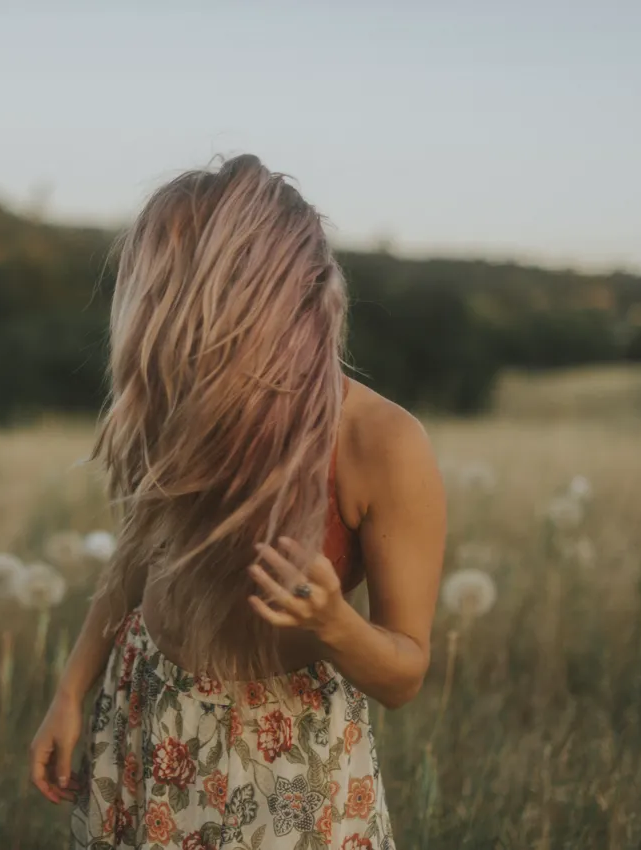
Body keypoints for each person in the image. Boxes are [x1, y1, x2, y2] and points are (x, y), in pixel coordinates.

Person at [29, 155, 447, 850]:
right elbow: (137, 559)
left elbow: (405, 674)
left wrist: (333, 622)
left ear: (260, 291)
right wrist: (72, 691)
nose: (154, 312)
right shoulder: (186, 404)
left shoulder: (383, 443)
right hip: (145, 710)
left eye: (175, 288)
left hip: (286, 766)